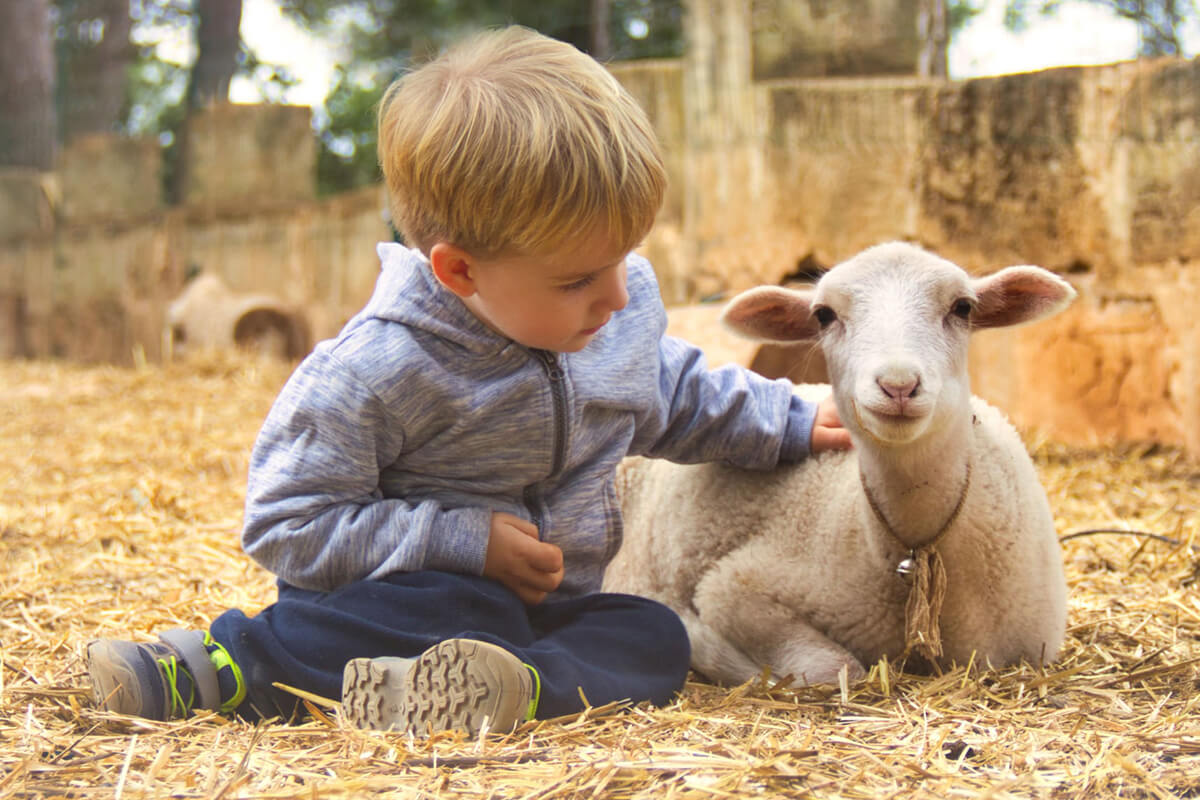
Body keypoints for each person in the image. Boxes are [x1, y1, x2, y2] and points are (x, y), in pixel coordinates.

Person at [87, 25, 850, 737]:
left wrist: (784, 422)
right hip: (405, 600)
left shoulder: (610, 314)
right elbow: (287, 525)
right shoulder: (376, 371)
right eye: (580, 277)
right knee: (442, 606)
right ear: (459, 270)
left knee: (652, 634)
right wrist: (461, 542)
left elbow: (672, 392)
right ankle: (228, 665)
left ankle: (500, 687)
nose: (619, 295)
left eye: (628, 257)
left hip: (550, 611)